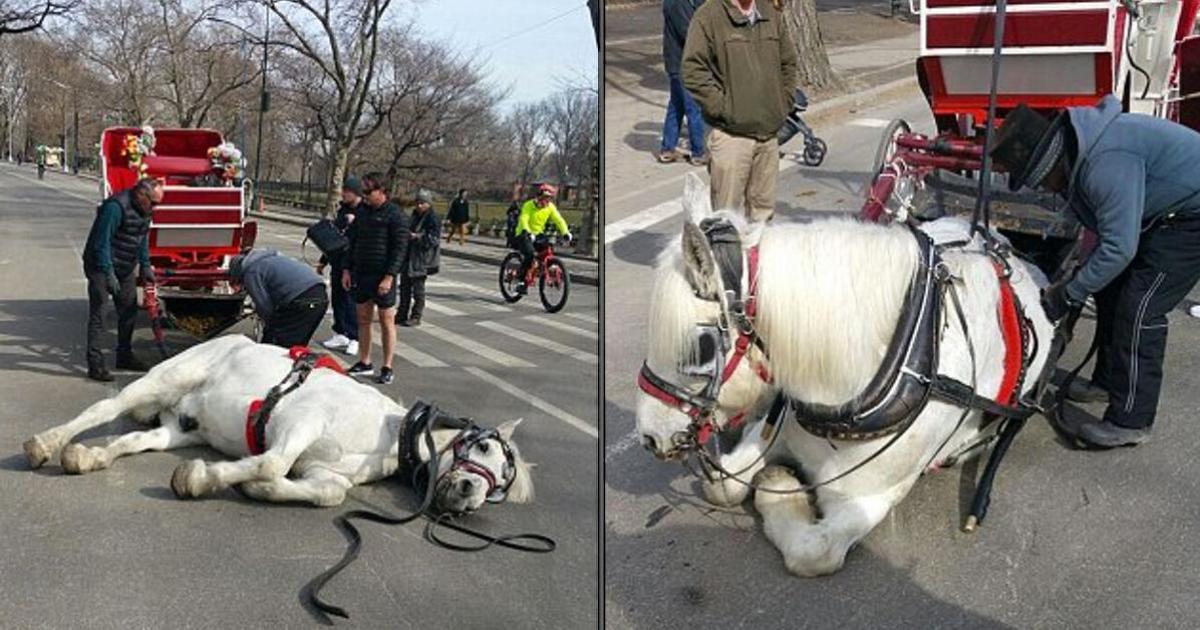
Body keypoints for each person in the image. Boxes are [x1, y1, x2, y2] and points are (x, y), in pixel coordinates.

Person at [989, 96, 1200, 448]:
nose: (1044, 189)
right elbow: (1101, 234)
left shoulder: (1104, 164)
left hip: (1193, 216)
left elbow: (1120, 247)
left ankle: (1131, 420)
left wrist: (1070, 294)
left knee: (1141, 308)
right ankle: (1106, 383)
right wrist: (1080, 277)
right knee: (1109, 286)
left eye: (1042, 182)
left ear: (1053, 164)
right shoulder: (1083, 154)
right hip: (1169, 211)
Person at [682, 0, 798, 222]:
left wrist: (782, 104)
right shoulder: (708, 16)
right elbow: (693, 70)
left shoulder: (769, 13)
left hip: (768, 136)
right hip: (730, 137)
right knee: (727, 219)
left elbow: (788, 63)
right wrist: (724, 108)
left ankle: (756, 257)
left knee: (763, 218)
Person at [81, 177, 164, 382]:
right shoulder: (115, 207)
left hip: (125, 266)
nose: (155, 207)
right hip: (100, 265)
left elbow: (142, 238)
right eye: (153, 202)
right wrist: (108, 273)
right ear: (141, 195)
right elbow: (101, 242)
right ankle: (95, 363)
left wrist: (145, 265)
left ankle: (124, 355)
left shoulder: (145, 210)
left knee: (129, 310)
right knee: (99, 313)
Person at [341, 172, 408, 385]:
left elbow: (400, 249)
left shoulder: (396, 215)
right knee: (363, 319)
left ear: (383, 191)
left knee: (387, 320)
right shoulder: (362, 213)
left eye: (369, 191)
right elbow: (352, 243)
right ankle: (365, 361)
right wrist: (346, 269)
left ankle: (387, 366)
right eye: (364, 191)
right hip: (362, 273)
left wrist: (389, 277)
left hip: (383, 275)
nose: (365, 195)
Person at [229, 249, 328, 348]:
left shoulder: (251, 272)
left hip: (301, 300)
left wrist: (269, 324)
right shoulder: (271, 259)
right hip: (320, 296)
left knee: (274, 345)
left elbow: (264, 306)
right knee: (296, 346)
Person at [657, 0, 707, 166]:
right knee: (694, 107)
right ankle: (698, 152)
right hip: (683, 62)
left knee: (676, 106)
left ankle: (667, 149)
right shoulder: (678, 3)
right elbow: (688, 32)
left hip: (677, 61)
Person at [318, 177, 363, 356]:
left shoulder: (363, 212)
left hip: (354, 263)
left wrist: (355, 223)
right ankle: (340, 332)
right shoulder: (342, 210)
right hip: (338, 260)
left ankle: (354, 337)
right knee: (337, 298)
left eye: (346, 191)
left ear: (355, 192)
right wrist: (324, 260)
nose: (343, 194)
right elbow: (333, 238)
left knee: (350, 300)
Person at [514, 183, 572, 295]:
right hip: (523, 233)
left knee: (548, 249)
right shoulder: (529, 205)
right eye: (545, 198)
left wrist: (565, 232)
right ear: (539, 196)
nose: (546, 201)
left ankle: (547, 270)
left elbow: (559, 220)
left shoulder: (550, 207)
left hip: (538, 234)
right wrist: (526, 230)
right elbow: (524, 218)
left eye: (549, 199)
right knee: (530, 254)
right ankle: (521, 281)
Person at [397, 189, 441, 327]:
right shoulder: (414, 215)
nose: (419, 206)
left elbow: (434, 239)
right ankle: (401, 314)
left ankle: (416, 315)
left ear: (428, 204)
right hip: (409, 256)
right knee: (404, 288)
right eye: (417, 203)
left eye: (422, 203)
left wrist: (418, 237)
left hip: (421, 258)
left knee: (418, 290)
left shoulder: (432, 218)